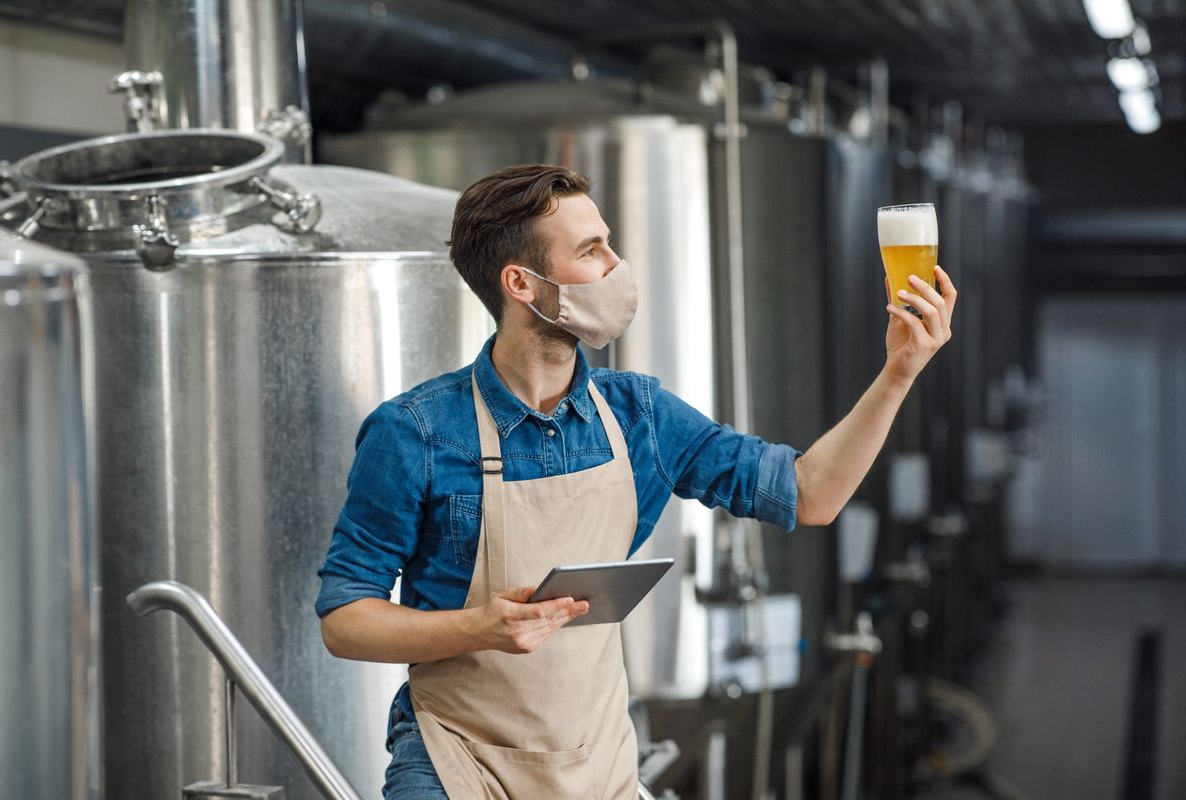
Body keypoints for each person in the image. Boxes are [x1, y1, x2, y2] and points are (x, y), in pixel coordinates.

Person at [315, 164, 957, 799]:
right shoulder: (415, 431)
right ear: (521, 283)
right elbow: (345, 620)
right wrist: (477, 628)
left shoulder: (640, 416)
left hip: (599, 759)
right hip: (455, 760)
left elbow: (810, 493)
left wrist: (898, 371)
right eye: (592, 250)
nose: (617, 267)